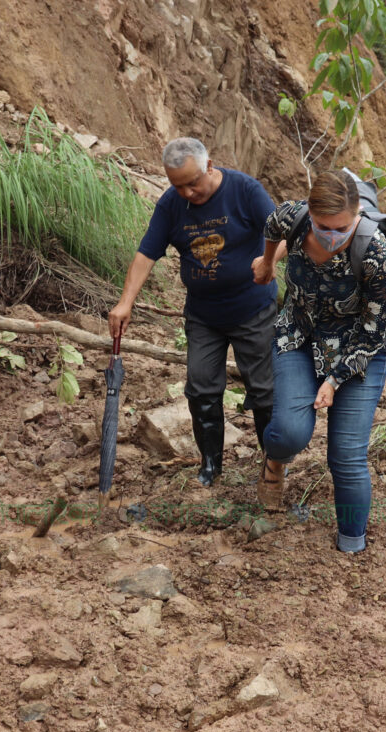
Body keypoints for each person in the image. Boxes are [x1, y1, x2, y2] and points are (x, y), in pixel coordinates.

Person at [108, 137, 281, 489]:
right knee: (201, 389)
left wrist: (268, 261)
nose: (187, 192)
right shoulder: (171, 205)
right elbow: (146, 255)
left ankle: (272, 466)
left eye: (193, 183)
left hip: (254, 309)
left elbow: (282, 231)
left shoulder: (245, 190)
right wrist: (126, 302)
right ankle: (210, 466)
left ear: (210, 166)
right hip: (204, 316)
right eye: (178, 185)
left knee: (264, 391)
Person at [253, 170, 386, 553]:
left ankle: (352, 543)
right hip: (298, 336)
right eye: (324, 227)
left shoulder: (373, 249)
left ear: (357, 213)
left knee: (346, 457)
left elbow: (373, 330)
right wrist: (267, 263)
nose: (333, 235)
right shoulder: (294, 218)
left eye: (342, 227)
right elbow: (271, 226)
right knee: (289, 432)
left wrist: (333, 380)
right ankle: (275, 461)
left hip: (357, 351)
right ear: (310, 214)